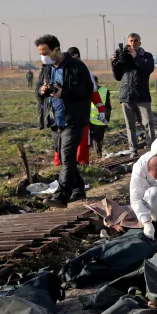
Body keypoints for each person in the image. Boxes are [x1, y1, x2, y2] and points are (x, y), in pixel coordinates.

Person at [35, 34, 94, 208]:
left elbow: (87, 90)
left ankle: (61, 197)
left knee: (68, 157)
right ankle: (78, 188)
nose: (43, 56)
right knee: (62, 156)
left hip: (73, 119)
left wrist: (64, 92)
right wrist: (42, 91)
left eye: (45, 52)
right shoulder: (46, 68)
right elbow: (37, 92)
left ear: (56, 49)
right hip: (55, 120)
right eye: (40, 53)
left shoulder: (76, 66)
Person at [53, 47, 105, 166]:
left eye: (76, 58)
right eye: (72, 58)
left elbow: (93, 91)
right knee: (61, 141)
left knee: (82, 141)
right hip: (63, 113)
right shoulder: (59, 72)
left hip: (81, 112)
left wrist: (101, 109)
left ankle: (82, 164)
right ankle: (59, 165)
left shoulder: (84, 71)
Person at [112, 33, 156, 158]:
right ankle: (133, 150)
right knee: (130, 125)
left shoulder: (146, 56)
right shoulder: (124, 57)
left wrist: (136, 57)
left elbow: (148, 68)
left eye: (135, 40)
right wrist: (114, 64)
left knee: (148, 124)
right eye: (130, 41)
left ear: (140, 43)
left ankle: (152, 149)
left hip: (142, 95)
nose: (133, 43)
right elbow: (118, 76)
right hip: (127, 95)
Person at [90, 76, 111, 158]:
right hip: (87, 120)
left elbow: (108, 107)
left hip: (99, 120)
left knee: (98, 141)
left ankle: (98, 157)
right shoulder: (85, 90)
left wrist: (106, 118)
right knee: (87, 141)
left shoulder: (104, 91)